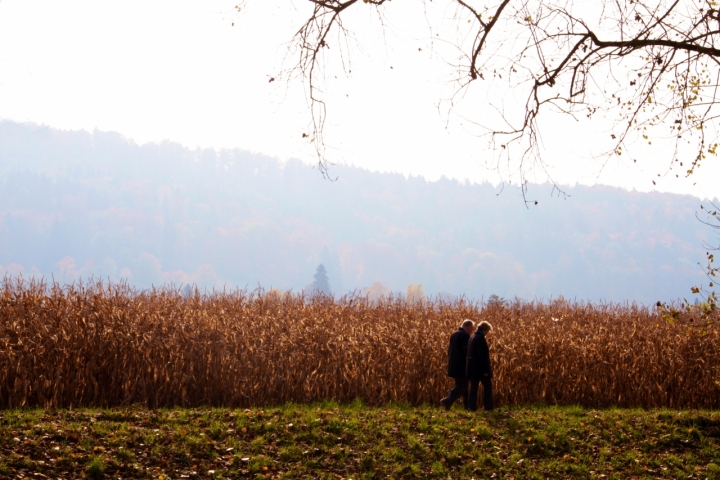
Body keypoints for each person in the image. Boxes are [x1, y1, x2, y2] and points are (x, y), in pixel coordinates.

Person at [440, 319, 475, 410]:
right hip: (461, 366)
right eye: (472, 328)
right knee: (462, 386)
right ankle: (447, 400)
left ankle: (467, 407)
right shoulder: (464, 335)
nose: (472, 331)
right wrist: (470, 363)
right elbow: (466, 352)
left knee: (464, 386)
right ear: (468, 326)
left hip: (453, 365)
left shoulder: (454, 334)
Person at [466, 321, 493, 411]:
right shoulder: (480, 338)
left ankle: (471, 407)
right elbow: (482, 356)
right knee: (488, 386)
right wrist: (485, 370)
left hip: (471, 368)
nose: (487, 333)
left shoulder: (472, 337)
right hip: (479, 369)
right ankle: (488, 407)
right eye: (487, 331)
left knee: (473, 387)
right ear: (484, 329)